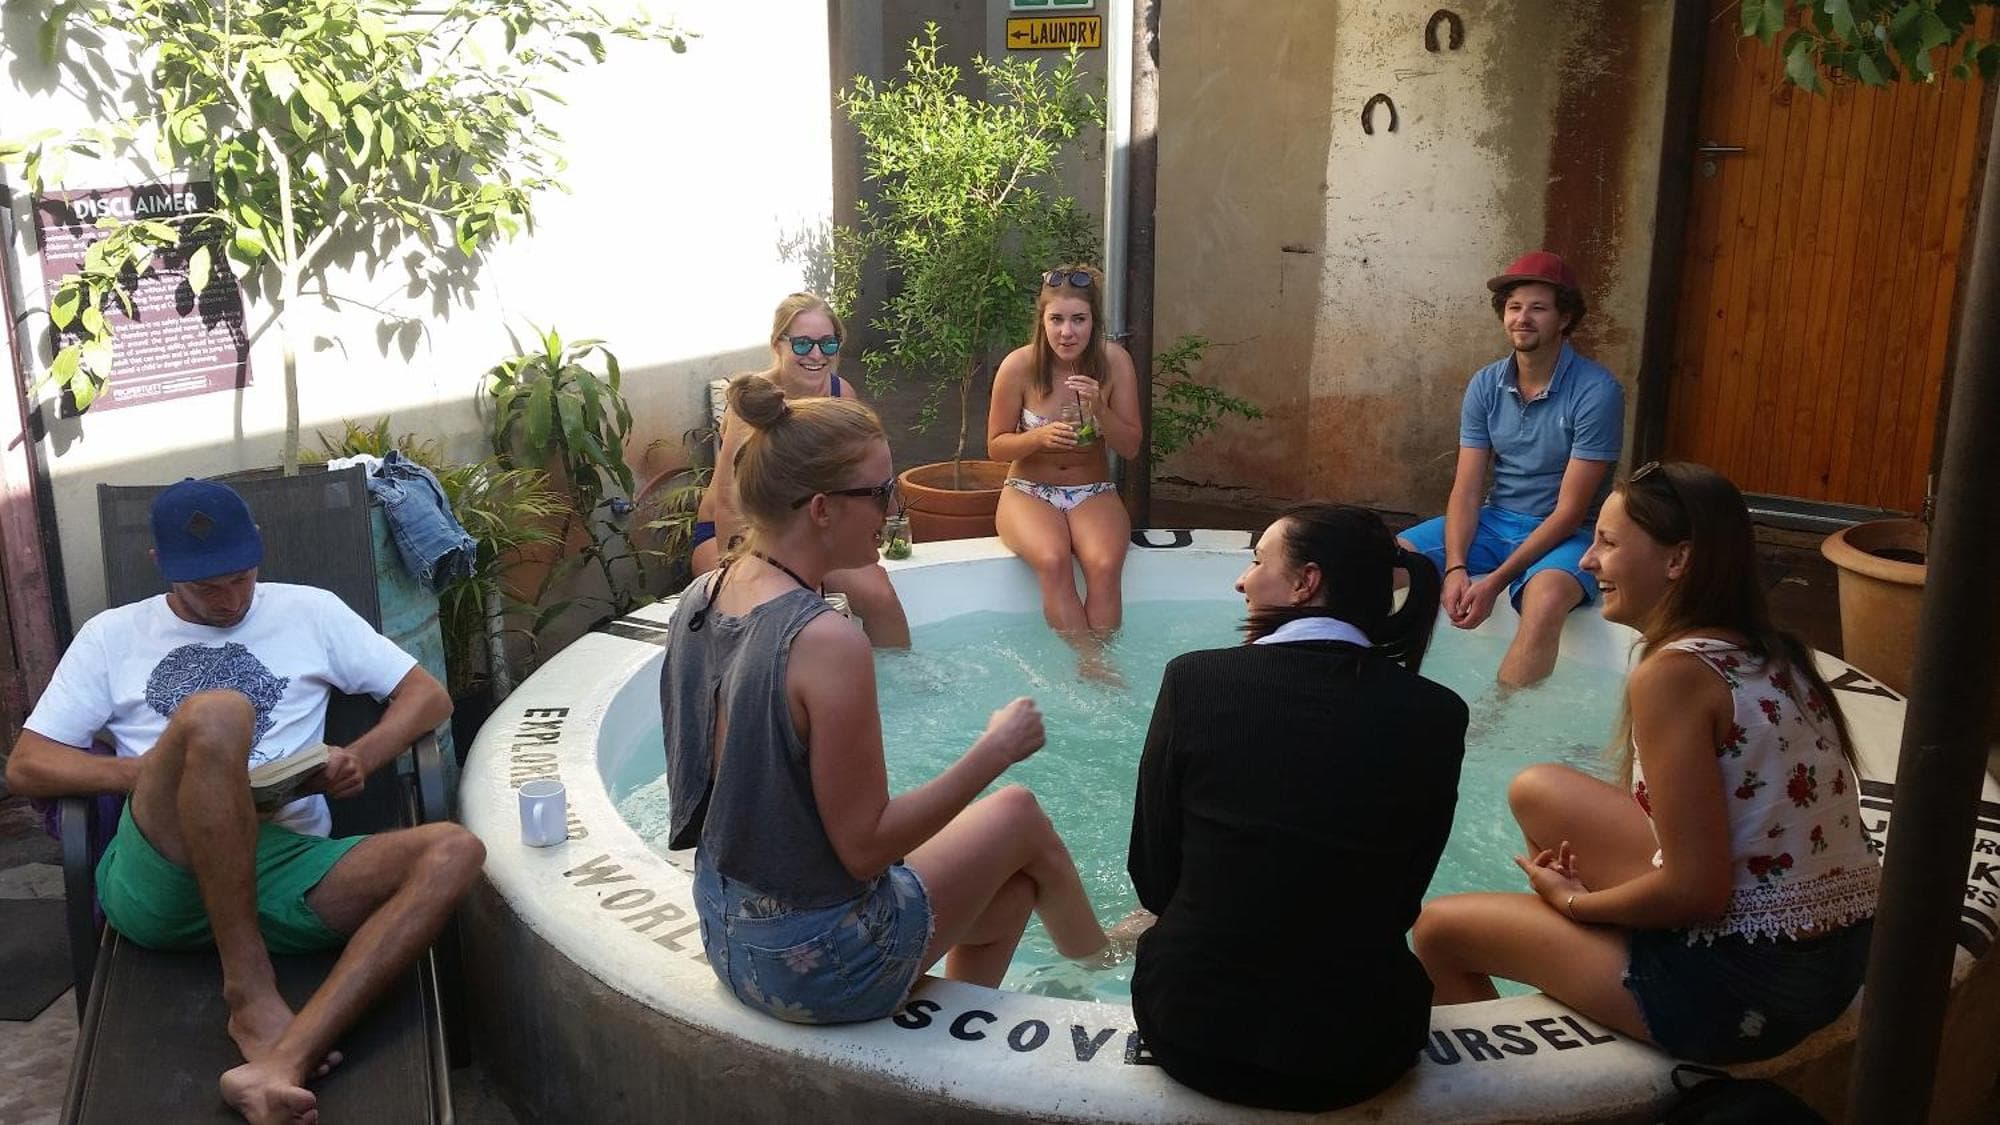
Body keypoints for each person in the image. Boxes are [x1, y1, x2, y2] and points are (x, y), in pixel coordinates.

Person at [3, 478, 483, 1124]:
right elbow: (28, 764)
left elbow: (428, 696)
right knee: (219, 714)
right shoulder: (110, 636)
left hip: (286, 866)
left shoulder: (311, 611)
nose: (230, 600)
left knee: (455, 849)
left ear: (257, 548)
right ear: (162, 567)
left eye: (241, 578)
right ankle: (249, 990)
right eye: (207, 588)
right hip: (164, 875)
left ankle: (282, 1063)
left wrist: (360, 757)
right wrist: (153, 772)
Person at [661, 373, 1111, 1024]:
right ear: (821, 509)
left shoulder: (701, 599)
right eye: (880, 493)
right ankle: (1105, 966)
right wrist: (994, 750)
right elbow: (865, 849)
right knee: (1016, 811)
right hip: (818, 965)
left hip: (728, 931)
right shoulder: (825, 642)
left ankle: (975, 1038)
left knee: (1011, 893)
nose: (894, 510)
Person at [1413, 462, 1878, 1064]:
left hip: (1750, 989)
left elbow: (1696, 893)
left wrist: (1571, 903)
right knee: (1537, 789)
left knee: (1438, 930)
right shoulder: (1771, 650)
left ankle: (1537, 1080)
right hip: (1837, 956)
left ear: (1678, 560)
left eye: (1607, 543)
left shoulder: (1674, 675)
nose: (1588, 561)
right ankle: (1592, 961)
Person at [1127, 503, 1467, 1111]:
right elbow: (1403, 894)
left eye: (1259, 561)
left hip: (1191, 1029)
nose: (1242, 580)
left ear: (1306, 582)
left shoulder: (1194, 680)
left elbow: (1154, 879)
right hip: (1363, 1047)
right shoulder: (1439, 714)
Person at [1398, 250, 1625, 687]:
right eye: (1514, 307)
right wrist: (1456, 567)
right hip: (1495, 520)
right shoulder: (1486, 383)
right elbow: (1466, 490)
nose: (1522, 318)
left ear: (1564, 318)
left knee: (1546, 599)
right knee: (1380, 561)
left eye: (1538, 308)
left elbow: (1570, 513)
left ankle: (1498, 718)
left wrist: (1496, 581)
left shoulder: (1598, 392)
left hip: (1570, 534)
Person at [692, 291, 910, 647]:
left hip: (808, 529)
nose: (816, 355)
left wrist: (889, 523)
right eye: (803, 343)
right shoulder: (755, 405)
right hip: (737, 534)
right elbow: (729, 504)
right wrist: (740, 568)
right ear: (777, 345)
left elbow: (864, 475)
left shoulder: (840, 393)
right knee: (773, 610)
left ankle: (902, 677)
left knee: (879, 595)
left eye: (827, 343)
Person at [986, 265, 1141, 674]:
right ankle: (1091, 663)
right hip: (1028, 489)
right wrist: (1037, 438)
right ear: (1042, 320)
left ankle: (1100, 660)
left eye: (1078, 320)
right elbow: (996, 447)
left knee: (1104, 565)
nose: (1067, 332)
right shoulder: (1018, 366)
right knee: (1053, 560)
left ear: (1094, 321)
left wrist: (1100, 409)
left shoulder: (1114, 362)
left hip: (1092, 489)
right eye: (1056, 319)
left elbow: (1130, 446)